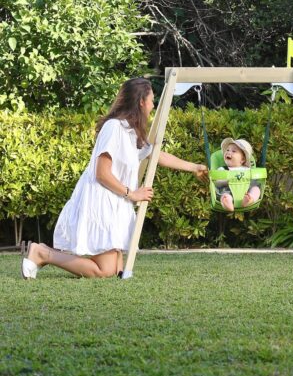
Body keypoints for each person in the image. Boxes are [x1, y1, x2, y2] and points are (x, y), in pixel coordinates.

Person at [21, 78, 208, 279]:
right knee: (105, 271)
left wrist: (195, 167)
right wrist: (132, 194)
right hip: (101, 198)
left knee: (118, 270)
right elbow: (101, 173)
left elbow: (157, 155)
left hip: (115, 200)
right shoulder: (114, 127)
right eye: (151, 100)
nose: (153, 105)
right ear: (141, 102)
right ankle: (42, 253)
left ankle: (45, 254)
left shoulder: (132, 131)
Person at [214, 138, 262, 212]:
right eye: (227, 150)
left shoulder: (247, 169)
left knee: (256, 189)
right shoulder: (223, 169)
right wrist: (225, 181)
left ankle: (250, 199)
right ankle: (228, 204)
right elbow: (216, 183)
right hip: (228, 190)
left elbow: (254, 178)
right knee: (225, 196)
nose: (229, 152)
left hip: (246, 191)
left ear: (242, 159)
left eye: (234, 151)